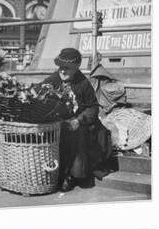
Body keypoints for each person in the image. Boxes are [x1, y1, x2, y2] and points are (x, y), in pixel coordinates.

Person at [41, 48, 112, 192]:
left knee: (77, 134)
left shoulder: (83, 83)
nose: (62, 71)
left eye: (67, 68)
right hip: (58, 122)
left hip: (80, 122)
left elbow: (93, 107)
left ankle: (72, 175)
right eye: (60, 67)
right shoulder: (53, 79)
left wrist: (78, 120)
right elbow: (39, 94)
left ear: (76, 69)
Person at [89, 52, 127, 117]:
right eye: (90, 60)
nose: (89, 63)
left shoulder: (98, 70)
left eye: (91, 60)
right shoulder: (96, 70)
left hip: (103, 96)